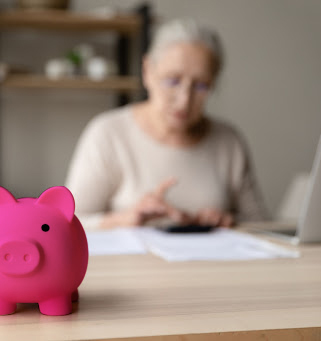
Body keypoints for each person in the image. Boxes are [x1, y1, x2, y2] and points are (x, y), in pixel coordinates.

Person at [65, 19, 267, 230]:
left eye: (201, 86)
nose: (184, 100)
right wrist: (124, 219)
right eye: (172, 81)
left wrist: (229, 222)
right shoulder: (108, 134)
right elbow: (68, 223)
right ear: (147, 71)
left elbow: (262, 225)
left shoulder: (229, 141)